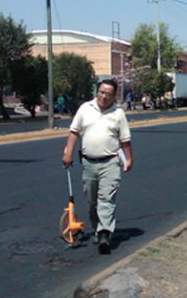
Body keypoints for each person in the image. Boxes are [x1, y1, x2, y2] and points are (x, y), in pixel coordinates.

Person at [61, 79, 133, 254]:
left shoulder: (118, 113)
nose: (103, 96)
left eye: (107, 94)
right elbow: (73, 133)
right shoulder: (85, 108)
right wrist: (68, 153)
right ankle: (97, 228)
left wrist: (128, 159)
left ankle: (104, 234)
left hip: (110, 162)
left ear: (113, 95)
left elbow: (125, 140)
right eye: (101, 92)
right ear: (97, 92)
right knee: (92, 200)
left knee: (106, 200)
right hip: (89, 163)